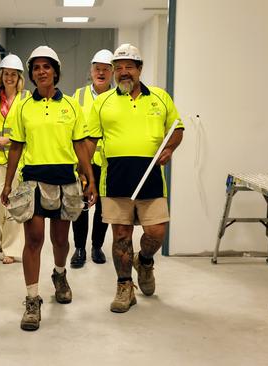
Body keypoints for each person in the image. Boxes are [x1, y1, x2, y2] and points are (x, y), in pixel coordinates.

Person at [0, 46, 97, 331]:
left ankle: (59, 274)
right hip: (33, 180)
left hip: (65, 180)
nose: (41, 72)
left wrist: (89, 179)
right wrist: (7, 183)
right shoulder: (23, 107)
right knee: (33, 239)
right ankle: (32, 299)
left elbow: (80, 144)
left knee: (60, 241)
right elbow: (16, 146)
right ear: (30, 74)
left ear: (55, 71)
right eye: (36, 68)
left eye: (46, 67)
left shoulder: (70, 105)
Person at [87, 43, 184, 313]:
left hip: (152, 178)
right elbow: (89, 141)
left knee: (156, 233)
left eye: (129, 67)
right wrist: (87, 177)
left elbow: (177, 128)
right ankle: (124, 286)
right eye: (118, 68)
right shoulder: (103, 102)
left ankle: (145, 261)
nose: (123, 72)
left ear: (140, 69)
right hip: (115, 179)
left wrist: (170, 147)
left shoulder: (160, 98)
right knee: (121, 235)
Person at [69, 49, 114, 268]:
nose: (101, 73)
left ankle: (97, 246)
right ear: (91, 70)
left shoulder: (118, 98)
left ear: (112, 72)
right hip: (83, 160)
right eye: (98, 69)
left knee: (104, 207)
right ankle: (79, 248)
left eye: (106, 69)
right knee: (80, 205)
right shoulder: (78, 96)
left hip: (107, 162)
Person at [0, 54, 27, 264]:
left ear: (19, 77)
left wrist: (7, 139)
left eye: (13, 74)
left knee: (12, 203)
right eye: (6, 74)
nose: (9, 78)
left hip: (17, 159)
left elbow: (30, 129)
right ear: (1, 76)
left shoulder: (26, 98)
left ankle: (10, 248)